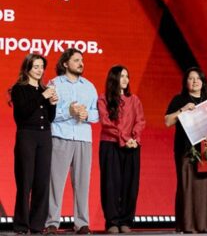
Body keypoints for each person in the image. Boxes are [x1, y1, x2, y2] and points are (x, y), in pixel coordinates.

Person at [46, 48, 99, 235]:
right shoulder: (54, 84)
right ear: (65, 63)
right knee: (55, 182)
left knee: (82, 183)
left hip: (83, 138)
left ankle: (82, 223)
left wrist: (86, 115)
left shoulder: (89, 86)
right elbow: (49, 113)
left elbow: (97, 113)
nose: (81, 63)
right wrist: (69, 112)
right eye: (76, 60)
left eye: (82, 60)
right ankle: (52, 222)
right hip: (61, 136)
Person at [9, 54, 58, 234]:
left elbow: (50, 118)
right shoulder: (19, 89)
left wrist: (52, 104)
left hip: (45, 137)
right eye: (36, 66)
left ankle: (37, 225)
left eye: (41, 67)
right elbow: (23, 112)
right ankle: (22, 225)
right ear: (27, 68)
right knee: (25, 181)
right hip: (27, 136)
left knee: (42, 182)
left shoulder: (44, 89)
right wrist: (43, 96)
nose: (39, 70)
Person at [164, 67, 207, 233]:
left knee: (205, 189)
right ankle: (187, 225)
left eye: (198, 78)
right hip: (185, 149)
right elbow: (167, 121)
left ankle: (205, 225)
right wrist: (183, 110)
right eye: (191, 78)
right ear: (185, 82)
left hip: (205, 151)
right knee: (187, 186)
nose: (195, 81)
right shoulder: (179, 99)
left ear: (203, 81)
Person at [98, 65, 146, 234]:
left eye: (127, 76)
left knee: (130, 185)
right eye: (121, 76)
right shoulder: (103, 99)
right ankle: (112, 221)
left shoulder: (134, 99)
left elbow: (140, 121)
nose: (125, 79)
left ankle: (126, 220)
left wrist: (135, 139)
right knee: (111, 184)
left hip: (132, 146)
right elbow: (106, 123)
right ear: (114, 78)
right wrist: (124, 139)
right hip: (111, 144)